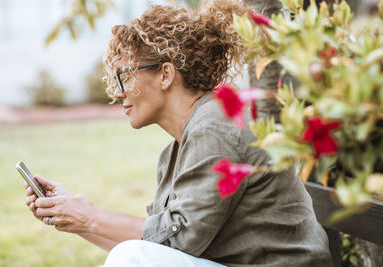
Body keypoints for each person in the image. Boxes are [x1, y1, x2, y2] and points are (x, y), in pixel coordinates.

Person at [24, 0, 333, 266]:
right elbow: (155, 245)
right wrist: (74, 220)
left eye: (123, 77)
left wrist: (88, 215)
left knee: (130, 259)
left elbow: (179, 239)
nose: (117, 94)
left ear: (166, 74)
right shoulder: (177, 150)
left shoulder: (214, 127)